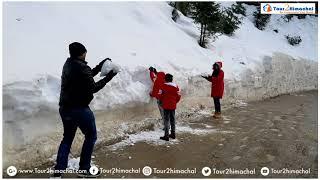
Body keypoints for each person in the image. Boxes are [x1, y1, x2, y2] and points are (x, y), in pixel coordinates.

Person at [54, 42, 117, 178]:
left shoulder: (69, 64)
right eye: (85, 52)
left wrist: (99, 67)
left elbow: (87, 75)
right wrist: (109, 77)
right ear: (81, 53)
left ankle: (58, 173)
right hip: (79, 109)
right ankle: (84, 169)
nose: (86, 54)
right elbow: (93, 87)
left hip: (65, 108)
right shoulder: (81, 68)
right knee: (91, 136)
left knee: (67, 138)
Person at [159, 73, 181, 141]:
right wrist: (175, 102)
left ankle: (166, 136)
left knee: (166, 120)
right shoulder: (176, 86)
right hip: (173, 106)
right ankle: (173, 134)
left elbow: (160, 96)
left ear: (165, 79)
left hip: (165, 105)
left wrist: (161, 102)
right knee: (173, 120)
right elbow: (178, 96)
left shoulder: (163, 86)